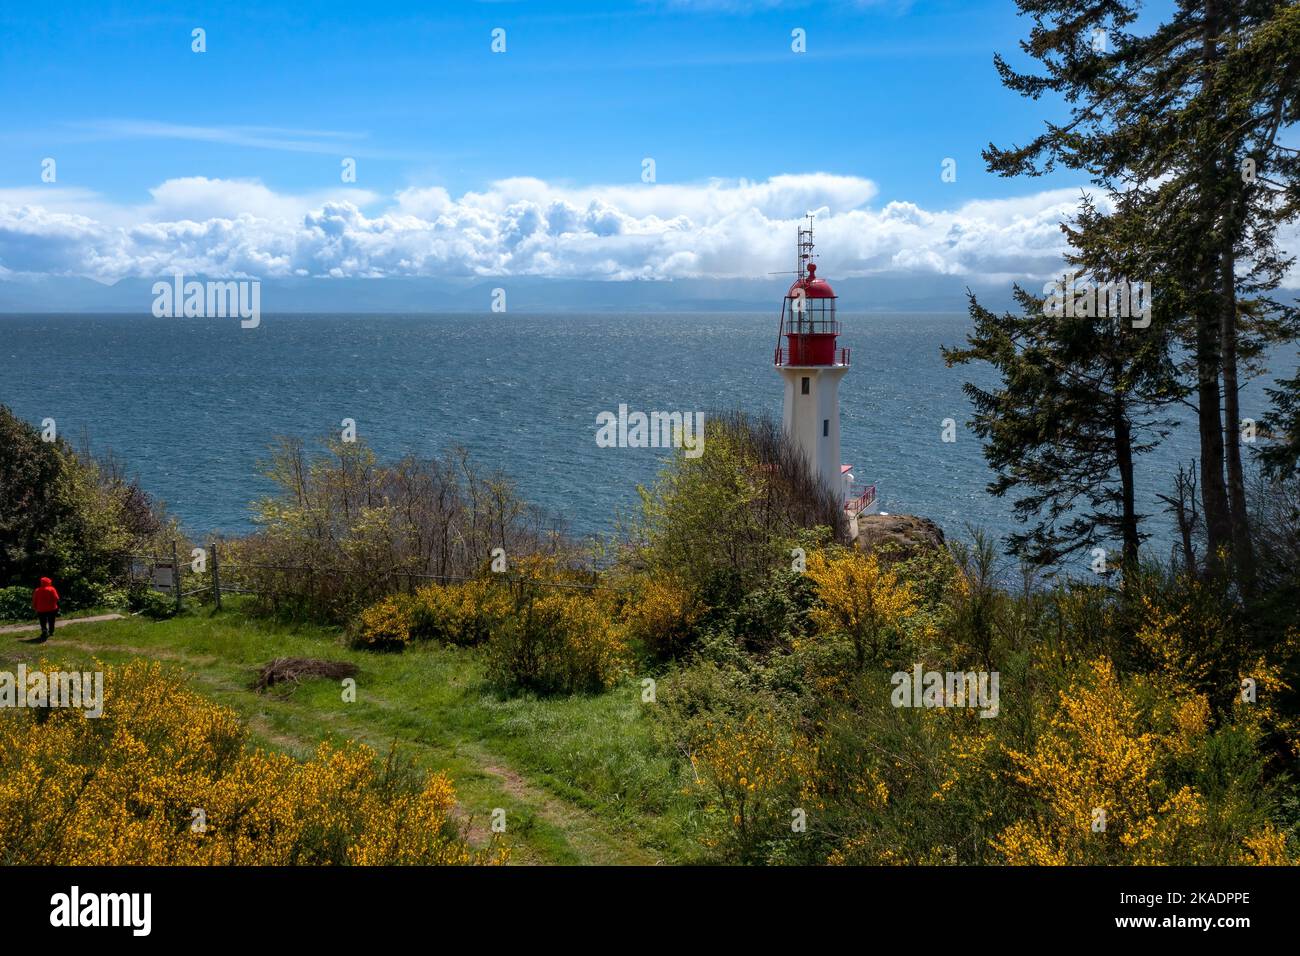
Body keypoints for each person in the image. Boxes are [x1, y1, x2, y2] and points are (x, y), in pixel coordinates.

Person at [32, 577, 59, 643]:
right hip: (52, 608)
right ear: (49, 582)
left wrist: (34, 607)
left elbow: (34, 600)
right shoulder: (52, 589)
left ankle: (44, 631)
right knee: (51, 621)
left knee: (42, 621)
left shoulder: (37, 590)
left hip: (41, 609)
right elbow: (56, 598)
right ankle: (51, 632)